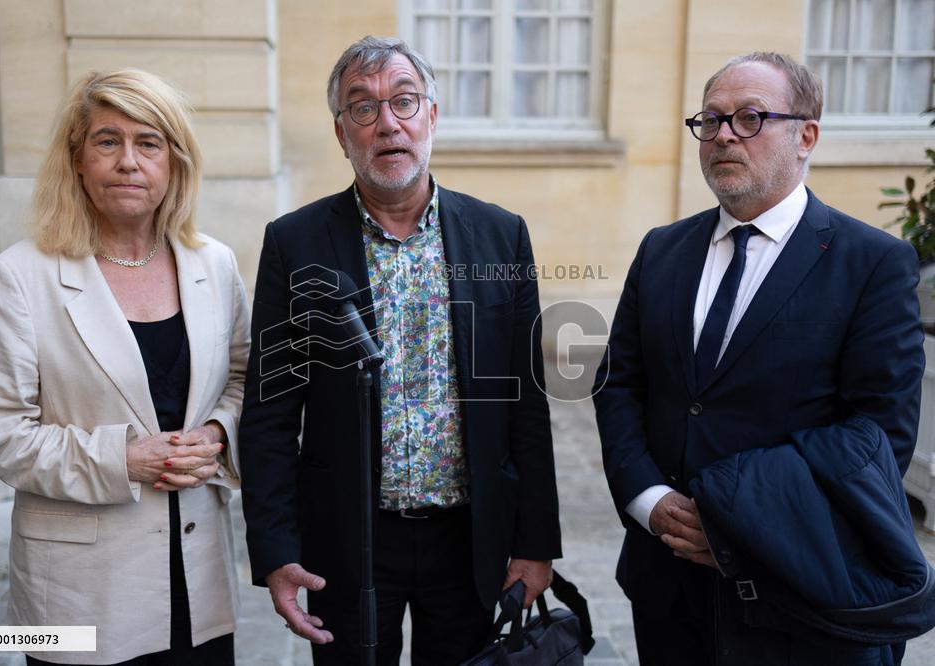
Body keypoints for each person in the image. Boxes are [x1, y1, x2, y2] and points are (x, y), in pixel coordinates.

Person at [594, 52, 926, 665]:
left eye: (749, 118)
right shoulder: (663, 250)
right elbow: (620, 385)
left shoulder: (871, 263)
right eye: (711, 120)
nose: (723, 135)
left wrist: (733, 523)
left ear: (807, 136)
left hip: (798, 593)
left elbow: (877, 436)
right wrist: (646, 499)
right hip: (668, 586)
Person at [238, 36, 562, 664]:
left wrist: (536, 542)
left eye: (404, 102)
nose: (387, 122)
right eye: (363, 107)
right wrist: (276, 551)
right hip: (349, 540)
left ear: (431, 118)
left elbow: (526, 404)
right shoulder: (294, 243)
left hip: (470, 539)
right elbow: (270, 414)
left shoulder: (501, 235)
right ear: (341, 133)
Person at [0, 69, 250, 665]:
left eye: (149, 143)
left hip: (196, 580)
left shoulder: (215, 263)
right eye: (107, 141)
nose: (128, 161)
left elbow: (247, 378)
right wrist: (119, 458)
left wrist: (219, 433)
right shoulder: (22, 275)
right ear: (77, 159)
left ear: (175, 163)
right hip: (77, 593)